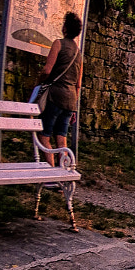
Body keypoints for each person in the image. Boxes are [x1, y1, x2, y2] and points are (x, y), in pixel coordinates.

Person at [36, 11, 84, 161]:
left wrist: (38, 83)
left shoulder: (58, 44)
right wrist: (74, 107)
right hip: (70, 101)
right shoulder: (78, 53)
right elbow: (78, 84)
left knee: (44, 136)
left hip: (55, 97)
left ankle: (51, 174)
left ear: (65, 28)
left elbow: (47, 70)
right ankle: (61, 173)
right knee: (61, 138)